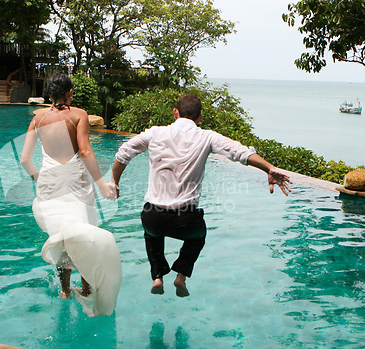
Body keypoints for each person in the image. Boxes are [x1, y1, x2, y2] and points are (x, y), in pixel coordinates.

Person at [111, 94, 291, 297]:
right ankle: (181, 276)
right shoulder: (207, 136)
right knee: (198, 236)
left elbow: (123, 153)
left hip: (154, 216)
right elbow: (240, 152)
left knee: (151, 233)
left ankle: (157, 277)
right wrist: (268, 168)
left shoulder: (155, 133)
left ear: (175, 112)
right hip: (186, 220)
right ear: (199, 118)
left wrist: (114, 182)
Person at [21, 73, 121, 316]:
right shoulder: (78, 115)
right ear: (69, 93)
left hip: (49, 184)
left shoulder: (37, 119)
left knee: (61, 235)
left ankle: (64, 291)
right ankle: (87, 288)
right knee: (83, 231)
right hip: (76, 182)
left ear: (50, 94)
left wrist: (38, 178)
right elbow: (85, 150)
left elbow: (25, 159)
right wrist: (101, 184)